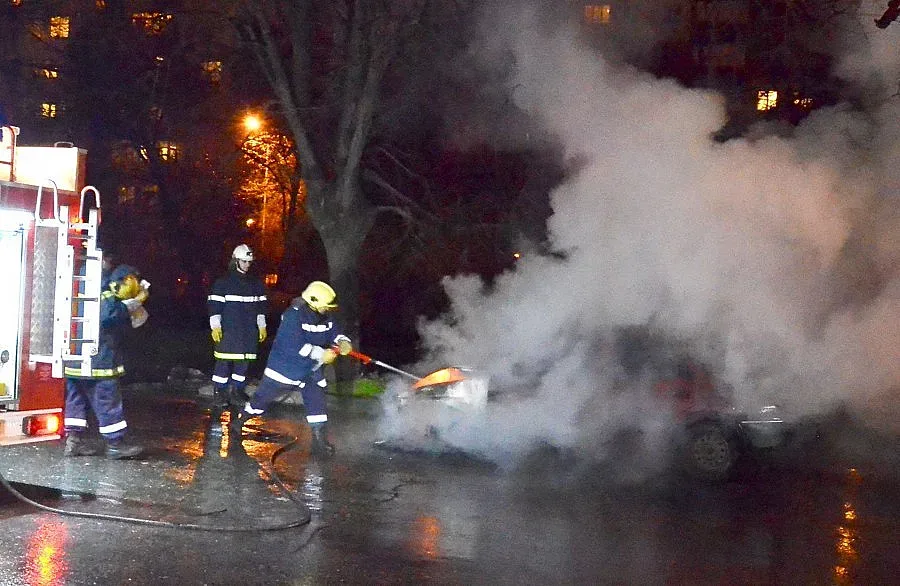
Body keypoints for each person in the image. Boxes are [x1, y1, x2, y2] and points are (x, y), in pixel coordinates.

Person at [230, 281, 352, 457]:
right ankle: (239, 422)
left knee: (316, 401)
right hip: (284, 370)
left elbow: (334, 331)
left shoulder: (325, 317)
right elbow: (293, 345)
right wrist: (320, 353)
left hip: (310, 371)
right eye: (326, 306)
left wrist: (342, 341)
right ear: (314, 302)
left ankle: (319, 441)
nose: (328, 309)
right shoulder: (293, 316)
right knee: (261, 401)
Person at [63, 264, 148, 459]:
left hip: (74, 356)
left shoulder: (75, 286)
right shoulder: (102, 290)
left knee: (76, 400)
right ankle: (115, 444)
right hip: (99, 360)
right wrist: (133, 303)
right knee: (107, 400)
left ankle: (74, 442)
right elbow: (110, 315)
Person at [207, 244, 267, 413]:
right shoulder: (223, 283)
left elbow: (261, 308)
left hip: (248, 332)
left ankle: (236, 391)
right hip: (229, 331)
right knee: (224, 362)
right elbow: (214, 307)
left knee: (243, 362)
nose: (247, 265)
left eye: (249, 262)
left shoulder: (255, 284)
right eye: (244, 261)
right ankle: (220, 391)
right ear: (235, 261)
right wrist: (215, 327)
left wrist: (262, 326)